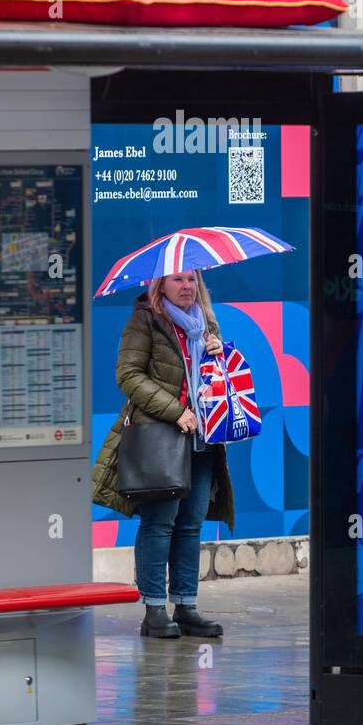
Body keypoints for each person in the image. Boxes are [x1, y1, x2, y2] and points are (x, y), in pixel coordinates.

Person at [92, 268, 236, 638]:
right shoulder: (145, 321)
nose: (187, 286)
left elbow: (218, 378)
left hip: (205, 437)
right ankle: (154, 609)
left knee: (190, 524)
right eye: (178, 280)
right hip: (161, 437)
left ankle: (186, 606)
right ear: (160, 286)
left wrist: (222, 354)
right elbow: (128, 375)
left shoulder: (206, 323)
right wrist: (176, 411)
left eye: (192, 280)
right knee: (159, 524)